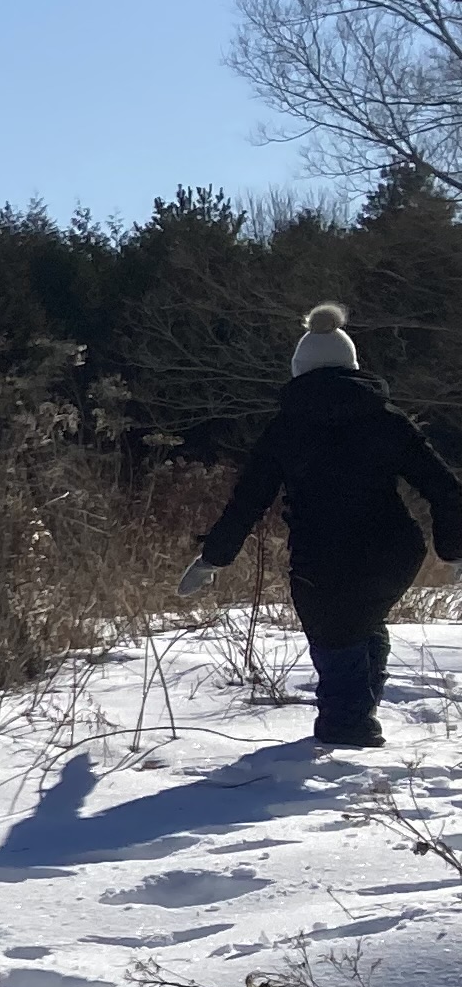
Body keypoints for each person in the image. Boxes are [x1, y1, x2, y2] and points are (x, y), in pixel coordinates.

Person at [180, 304, 462, 747]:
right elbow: (445, 488)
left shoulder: (285, 428)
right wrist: (454, 549)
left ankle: (348, 731)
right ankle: (356, 718)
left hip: (322, 556)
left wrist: (214, 557)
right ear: (353, 366)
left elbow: (248, 502)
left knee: (336, 637)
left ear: (298, 371)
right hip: (394, 551)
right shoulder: (388, 420)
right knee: (360, 623)